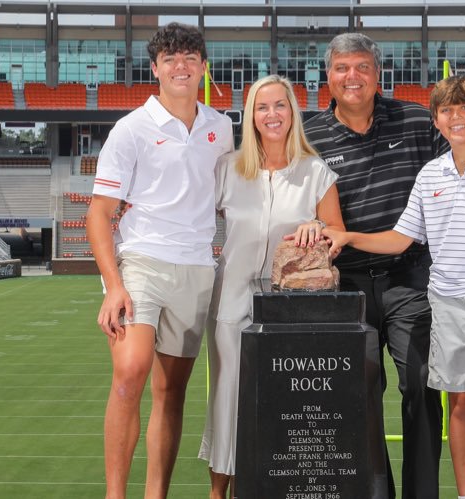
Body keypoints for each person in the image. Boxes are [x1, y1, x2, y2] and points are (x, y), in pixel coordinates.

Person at [301, 32, 465, 499]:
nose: (351, 77)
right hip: (346, 283)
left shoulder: (416, 120)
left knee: (420, 383)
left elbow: (463, 159)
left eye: (361, 67)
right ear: (328, 77)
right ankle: (376, 491)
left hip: (410, 277)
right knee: (360, 389)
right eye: (341, 68)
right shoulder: (310, 133)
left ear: (378, 75)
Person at [85, 22, 233, 499]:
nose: (181, 66)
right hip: (142, 262)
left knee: (171, 394)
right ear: (155, 69)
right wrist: (114, 285)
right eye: (170, 59)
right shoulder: (131, 129)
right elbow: (100, 212)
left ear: (203, 67)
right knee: (130, 373)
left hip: (196, 270)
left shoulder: (221, 127)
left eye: (190, 58)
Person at [199, 74, 345, 499]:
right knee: (227, 392)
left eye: (280, 105)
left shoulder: (315, 171)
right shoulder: (229, 168)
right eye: (262, 107)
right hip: (231, 297)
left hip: (290, 305)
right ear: (251, 116)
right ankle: (218, 492)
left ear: (292, 113)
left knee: (280, 396)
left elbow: (337, 231)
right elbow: (196, 218)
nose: (272, 115)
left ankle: (267, 486)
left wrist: (316, 226)